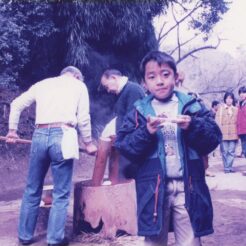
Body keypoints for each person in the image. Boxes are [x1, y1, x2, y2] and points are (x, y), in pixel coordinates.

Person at [115, 51, 222, 246]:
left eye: (165, 74)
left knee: (190, 241)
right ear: (144, 83)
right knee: (154, 241)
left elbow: (214, 138)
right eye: (152, 76)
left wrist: (193, 126)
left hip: (188, 186)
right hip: (152, 188)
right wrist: (146, 132)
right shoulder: (138, 111)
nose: (160, 81)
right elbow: (125, 146)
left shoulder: (192, 106)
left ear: (176, 76)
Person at [6, 66, 97, 246]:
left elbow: (16, 104)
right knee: (61, 193)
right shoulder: (79, 86)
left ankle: (24, 237)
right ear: (77, 76)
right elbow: (83, 118)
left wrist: (12, 131)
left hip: (39, 135)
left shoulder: (42, 84)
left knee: (32, 189)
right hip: (63, 135)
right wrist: (88, 143)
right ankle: (54, 240)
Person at [99, 69, 145, 180]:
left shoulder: (132, 90)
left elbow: (134, 121)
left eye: (106, 86)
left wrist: (120, 141)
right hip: (125, 146)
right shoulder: (123, 92)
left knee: (128, 181)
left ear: (113, 78)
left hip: (132, 147)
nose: (108, 90)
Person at [216, 91, 238, 173]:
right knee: (224, 152)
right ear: (225, 99)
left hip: (234, 133)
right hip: (223, 134)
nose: (229, 100)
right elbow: (217, 122)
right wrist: (218, 133)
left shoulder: (236, 109)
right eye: (228, 98)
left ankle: (228, 168)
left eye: (231, 98)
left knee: (231, 151)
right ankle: (227, 167)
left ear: (233, 100)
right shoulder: (220, 109)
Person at [237, 86, 246, 161]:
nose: (242, 94)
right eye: (240, 93)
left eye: (244, 92)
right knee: (244, 151)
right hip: (242, 131)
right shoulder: (240, 104)